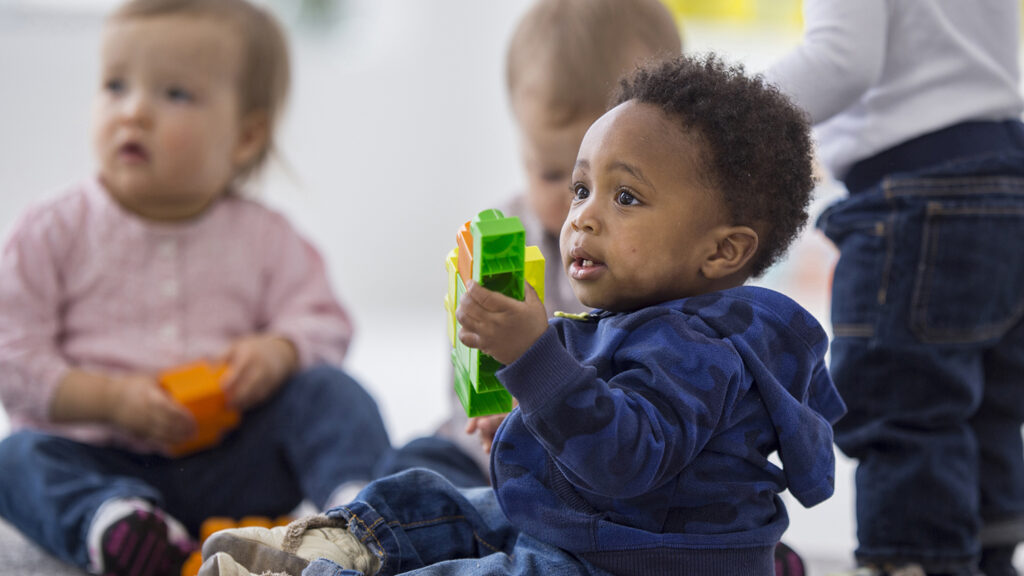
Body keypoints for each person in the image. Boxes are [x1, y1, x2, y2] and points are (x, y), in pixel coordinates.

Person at [196, 53, 846, 576]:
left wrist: (536, 362)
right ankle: (337, 547)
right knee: (444, 499)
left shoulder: (702, 346)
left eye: (626, 196)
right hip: (602, 531)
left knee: (509, 565)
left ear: (722, 250)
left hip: (639, 560)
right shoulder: (651, 323)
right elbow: (613, 428)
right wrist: (529, 416)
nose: (583, 215)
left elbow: (626, 460)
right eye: (582, 188)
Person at [0, 1, 391, 575]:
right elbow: (13, 356)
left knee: (334, 393)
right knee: (15, 460)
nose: (132, 112)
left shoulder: (264, 236)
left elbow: (325, 320)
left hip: (233, 463)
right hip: (99, 457)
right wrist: (111, 400)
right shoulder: (52, 230)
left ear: (245, 136)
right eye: (115, 86)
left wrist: (276, 352)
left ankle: (355, 522)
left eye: (174, 94)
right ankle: (114, 526)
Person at [764, 2, 1024, 575]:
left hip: (917, 195)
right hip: (1007, 183)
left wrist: (709, 109)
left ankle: (920, 561)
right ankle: (989, 560)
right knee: (989, 406)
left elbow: (843, 59)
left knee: (904, 406)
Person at [378, 0, 683, 489]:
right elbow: (468, 369)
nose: (579, 210)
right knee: (414, 467)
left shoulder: (669, 258)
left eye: (620, 190)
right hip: (492, 454)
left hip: (599, 466)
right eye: (552, 175)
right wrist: (488, 418)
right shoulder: (506, 238)